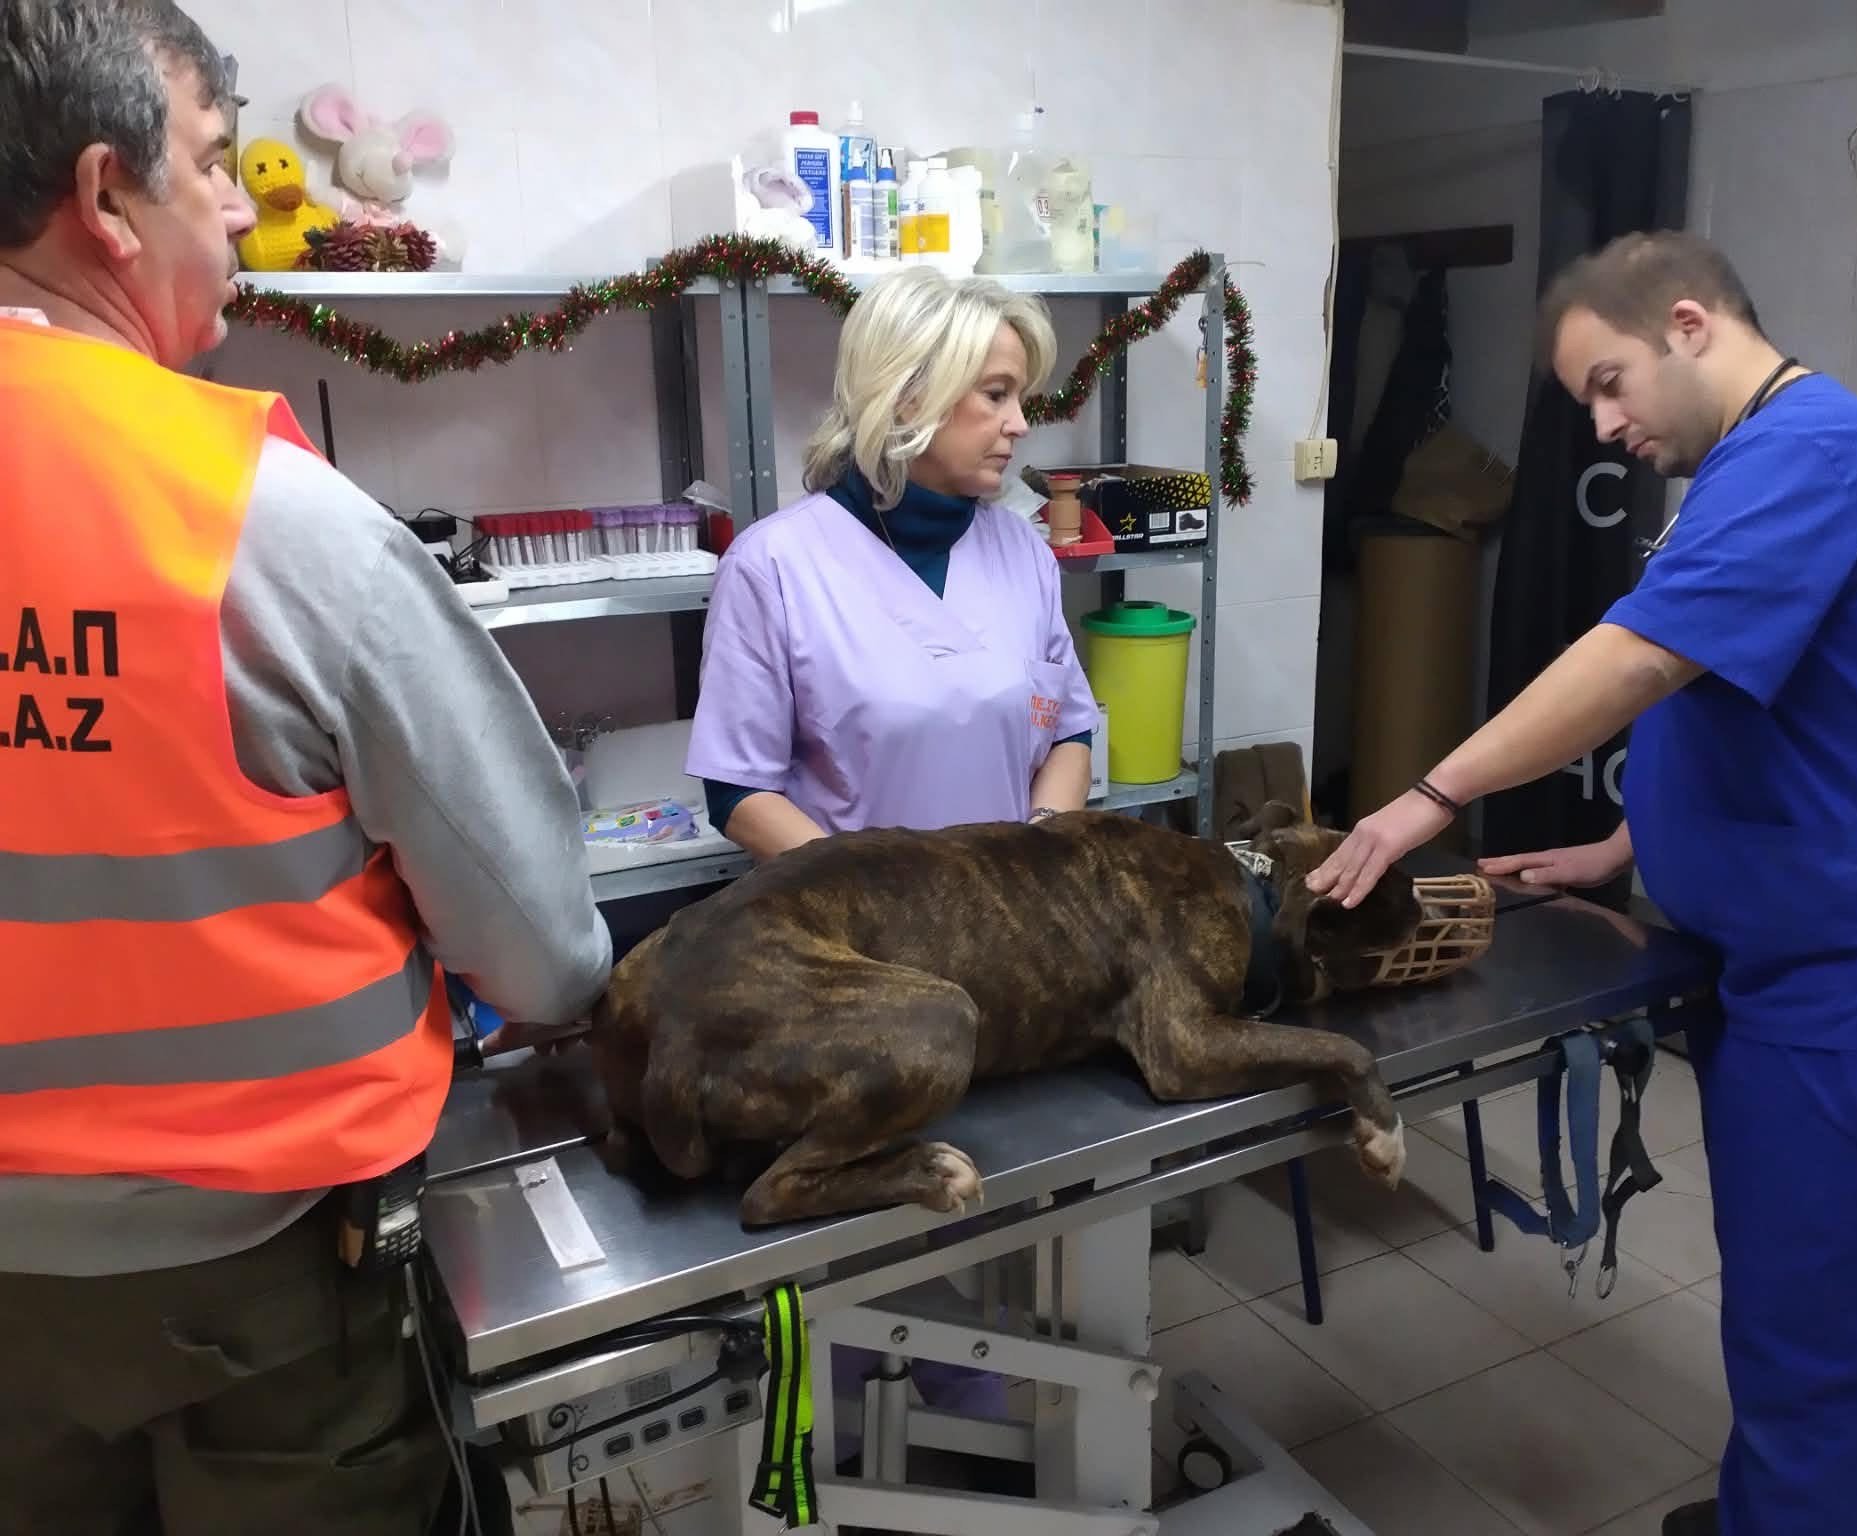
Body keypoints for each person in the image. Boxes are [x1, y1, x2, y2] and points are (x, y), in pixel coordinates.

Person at [0, 4, 612, 1532]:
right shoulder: (262, 523)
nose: (234, 207)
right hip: (266, 1288)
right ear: (106, 197)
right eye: (213, 162)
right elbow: (544, 956)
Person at [1307, 231, 1857, 1536]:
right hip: (1784, 971)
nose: (1602, 424)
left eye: (1608, 382)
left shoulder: (1812, 454)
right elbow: (1764, 701)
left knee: (1809, 1353)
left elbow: (1640, 659)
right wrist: (1624, 848)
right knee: (1806, 1328)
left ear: (1689, 325)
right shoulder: (1753, 466)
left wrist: (1428, 796)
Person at [686, 263, 1100, 1453]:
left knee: (1000, 1190)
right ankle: (838, 1444)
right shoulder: (777, 564)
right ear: (905, 397)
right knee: (859, 1232)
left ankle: (980, 1421)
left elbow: (1067, 727)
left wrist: (1043, 860)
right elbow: (737, 787)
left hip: (1014, 963)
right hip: (847, 970)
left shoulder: (1018, 552)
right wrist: (882, 907)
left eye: (1021, 397)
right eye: (995, 395)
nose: (1019, 426)